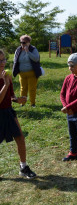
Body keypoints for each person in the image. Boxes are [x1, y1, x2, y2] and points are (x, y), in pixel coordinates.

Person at [0, 49, 36, 178]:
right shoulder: (5, 78)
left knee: (20, 138)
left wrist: (16, 99)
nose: (2, 63)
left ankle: (23, 167)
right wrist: (5, 83)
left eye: (3, 59)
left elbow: (10, 95)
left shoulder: (6, 75)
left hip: (8, 112)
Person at [12, 35, 42, 107]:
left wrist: (27, 51)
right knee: (23, 89)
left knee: (32, 89)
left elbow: (36, 59)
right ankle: (22, 103)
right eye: (21, 42)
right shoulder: (18, 50)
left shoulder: (33, 49)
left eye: (24, 42)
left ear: (28, 42)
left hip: (32, 73)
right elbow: (15, 60)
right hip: (22, 73)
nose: (22, 44)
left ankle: (32, 104)